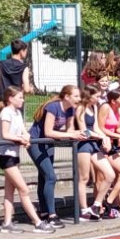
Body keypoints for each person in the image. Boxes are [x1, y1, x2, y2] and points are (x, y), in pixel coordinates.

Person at [0, 87, 55, 234]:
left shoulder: (17, 113)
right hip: (6, 156)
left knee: (10, 191)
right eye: (20, 97)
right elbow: (5, 134)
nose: (23, 100)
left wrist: (26, 137)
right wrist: (20, 139)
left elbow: (24, 131)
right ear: (10, 98)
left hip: (14, 155)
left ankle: (7, 223)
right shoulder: (6, 112)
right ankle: (38, 222)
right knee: (24, 189)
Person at [27, 85, 84, 227]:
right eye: (76, 96)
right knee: (51, 176)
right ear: (67, 97)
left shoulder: (71, 109)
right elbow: (48, 132)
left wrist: (75, 133)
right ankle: (52, 215)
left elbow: (69, 128)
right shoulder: (53, 107)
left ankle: (44, 212)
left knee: (44, 177)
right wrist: (70, 134)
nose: (79, 99)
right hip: (37, 142)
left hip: (49, 144)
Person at [73, 85, 115, 221]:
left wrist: (105, 137)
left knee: (110, 174)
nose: (98, 99)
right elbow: (84, 130)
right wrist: (101, 136)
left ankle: (96, 205)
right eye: (96, 96)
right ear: (89, 95)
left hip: (93, 144)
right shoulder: (80, 108)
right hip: (83, 144)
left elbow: (96, 127)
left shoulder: (94, 107)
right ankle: (84, 209)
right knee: (84, 178)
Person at [97, 89, 120, 217]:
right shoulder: (105, 107)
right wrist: (116, 136)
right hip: (101, 145)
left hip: (112, 145)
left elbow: (118, 127)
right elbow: (100, 127)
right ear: (113, 100)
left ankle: (109, 201)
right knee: (103, 177)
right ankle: (98, 206)